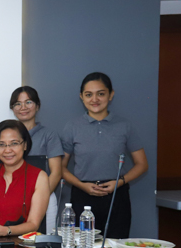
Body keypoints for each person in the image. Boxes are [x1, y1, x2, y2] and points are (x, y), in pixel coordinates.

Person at [61, 72, 148, 238]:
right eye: (89, 94)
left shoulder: (124, 126)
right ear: (81, 97)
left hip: (116, 196)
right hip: (82, 195)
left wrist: (119, 182)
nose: (95, 99)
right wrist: (81, 185)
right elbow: (60, 167)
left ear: (111, 95)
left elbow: (142, 164)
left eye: (100, 94)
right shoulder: (72, 126)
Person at [0, 120, 50, 238]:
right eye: (1, 144)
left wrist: (4, 230)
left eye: (14, 143)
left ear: (25, 145)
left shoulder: (40, 177)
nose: (7, 150)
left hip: (23, 246)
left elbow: (34, 224)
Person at [10, 86, 63, 232]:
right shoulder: (8, 134)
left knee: (44, 242)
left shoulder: (49, 135)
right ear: (12, 108)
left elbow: (56, 172)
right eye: (17, 104)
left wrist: (39, 197)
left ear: (37, 106)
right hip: (13, 198)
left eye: (28, 102)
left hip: (44, 196)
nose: (23, 107)